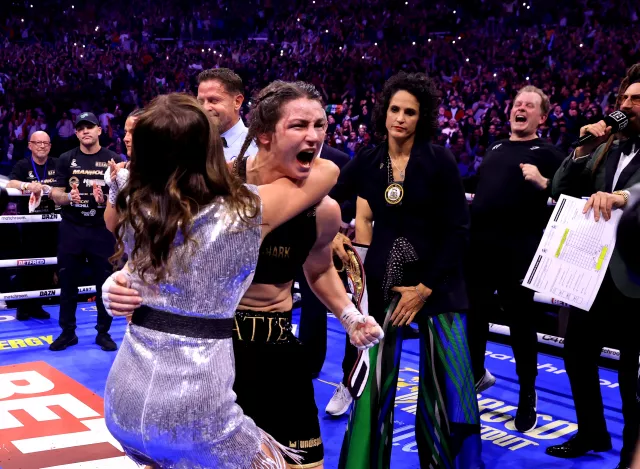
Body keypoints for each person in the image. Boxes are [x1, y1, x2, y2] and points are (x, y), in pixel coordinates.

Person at [102, 92, 340, 468]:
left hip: (123, 401)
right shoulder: (243, 211)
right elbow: (327, 171)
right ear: (211, 150)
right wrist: (232, 167)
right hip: (194, 407)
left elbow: (125, 263)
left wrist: (112, 286)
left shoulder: (138, 204)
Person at [332, 72, 482, 468]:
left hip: (440, 286)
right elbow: (327, 198)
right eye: (395, 109)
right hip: (381, 286)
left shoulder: (439, 160)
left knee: (452, 393)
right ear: (384, 112)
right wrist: (331, 233)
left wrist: (425, 288)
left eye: (410, 112)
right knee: (372, 390)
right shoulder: (367, 158)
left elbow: (458, 229)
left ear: (422, 117)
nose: (400, 118)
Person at [229, 81, 383, 469]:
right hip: (216, 348)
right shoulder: (220, 185)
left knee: (305, 464)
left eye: (320, 125)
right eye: (299, 125)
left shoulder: (324, 209)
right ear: (263, 134)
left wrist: (349, 315)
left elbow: (318, 271)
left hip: (277, 346)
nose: (313, 136)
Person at [546, 64, 640, 469]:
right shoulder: (607, 146)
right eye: (624, 99)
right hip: (593, 272)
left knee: (630, 374)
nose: (629, 105)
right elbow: (558, 188)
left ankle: (632, 454)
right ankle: (592, 431)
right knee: (577, 352)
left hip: (635, 277)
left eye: (638, 99)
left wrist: (622, 197)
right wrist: (582, 149)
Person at [464, 86, 565, 432]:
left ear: (542, 117)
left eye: (529, 106)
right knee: (474, 316)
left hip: (518, 250)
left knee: (522, 324)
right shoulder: (494, 147)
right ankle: (475, 375)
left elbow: (570, 192)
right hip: (479, 247)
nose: (520, 109)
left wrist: (545, 182)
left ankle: (527, 394)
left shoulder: (548, 152)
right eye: (517, 104)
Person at [49, 112, 123, 352]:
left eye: (90, 127)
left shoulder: (113, 159)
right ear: (77, 132)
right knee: (67, 281)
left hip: (102, 230)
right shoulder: (65, 158)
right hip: (72, 227)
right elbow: (56, 194)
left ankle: (104, 332)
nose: (85, 131)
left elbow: (121, 198)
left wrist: (108, 197)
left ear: (99, 130)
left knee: (104, 282)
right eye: (81, 128)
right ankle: (68, 332)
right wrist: (69, 197)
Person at [297, 141, 351, 384]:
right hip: (284, 233)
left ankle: (309, 362)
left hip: (320, 239)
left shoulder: (339, 159)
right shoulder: (288, 153)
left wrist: (334, 217)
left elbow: (352, 197)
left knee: (314, 302)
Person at [6, 131, 58, 320]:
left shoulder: (56, 163)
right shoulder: (23, 165)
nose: (42, 146)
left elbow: (65, 185)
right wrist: (27, 186)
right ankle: (23, 305)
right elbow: (11, 182)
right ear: (30, 145)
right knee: (26, 266)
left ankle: (36, 305)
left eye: (46, 142)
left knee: (47, 267)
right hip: (29, 226)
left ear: (50, 146)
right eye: (38, 142)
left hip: (52, 224)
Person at [196, 68, 258, 162]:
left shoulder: (258, 147)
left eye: (213, 100)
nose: (205, 108)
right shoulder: (191, 143)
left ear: (237, 102)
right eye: (200, 102)